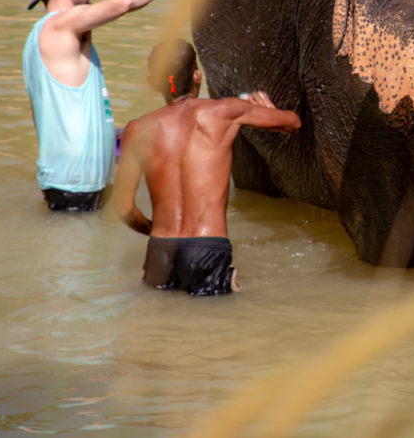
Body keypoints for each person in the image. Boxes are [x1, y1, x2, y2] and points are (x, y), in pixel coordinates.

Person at [113, 39, 301, 296]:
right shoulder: (225, 111)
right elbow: (293, 123)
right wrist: (268, 110)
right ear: (196, 75)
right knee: (213, 329)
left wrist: (154, 230)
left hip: (160, 250)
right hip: (207, 248)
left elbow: (123, 209)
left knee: (162, 332)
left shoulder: (137, 129)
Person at [23, 0, 187, 212]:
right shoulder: (61, 26)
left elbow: (47, 115)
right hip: (76, 185)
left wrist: (108, 135)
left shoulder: (38, 39)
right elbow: (125, 2)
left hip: (70, 181)